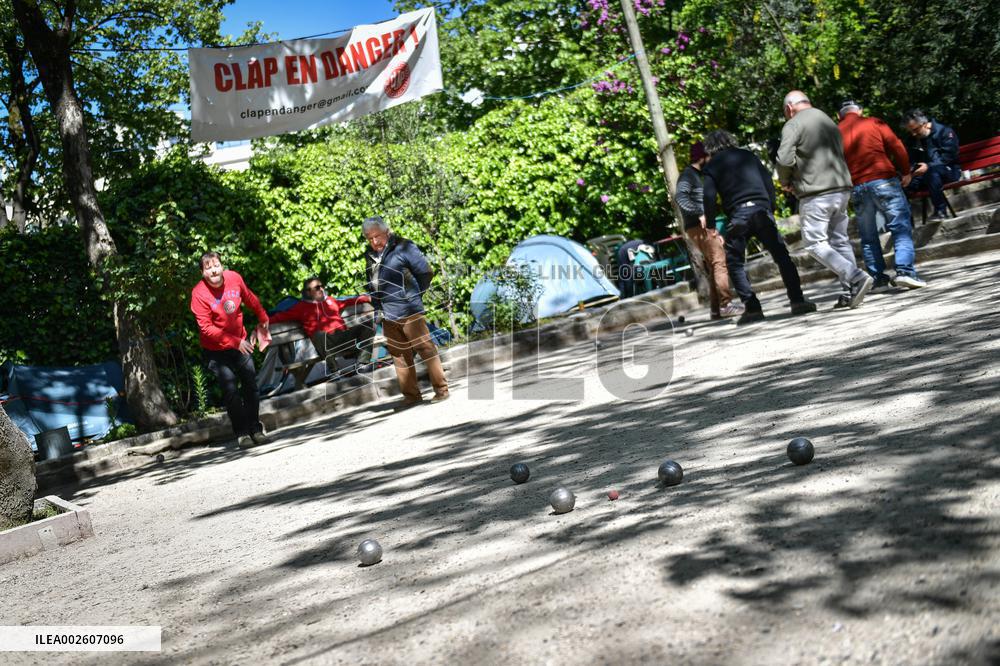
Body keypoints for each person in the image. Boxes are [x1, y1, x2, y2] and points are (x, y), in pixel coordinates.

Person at [701, 129, 815, 325]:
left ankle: (752, 308)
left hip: (738, 215)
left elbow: (708, 197)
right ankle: (797, 301)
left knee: (734, 263)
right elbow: (768, 182)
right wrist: (771, 207)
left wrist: (711, 226)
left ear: (710, 147)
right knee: (782, 257)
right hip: (761, 211)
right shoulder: (748, 156)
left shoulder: (712, 166)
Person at [777, 90, 874, 309]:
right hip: (841, 188)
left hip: (816, 192)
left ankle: (856, 277)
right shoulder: (828, 121)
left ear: (789, 108)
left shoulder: (794, 123)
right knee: (840, 240)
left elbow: (784, 159)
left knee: (814, 243)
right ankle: (850, 291)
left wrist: (785, 182)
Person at [838, 100, 927, 291]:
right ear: (860, 111)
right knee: (900, 227)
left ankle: (878, 280)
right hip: (883, 180)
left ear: (839, 116)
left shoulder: (834, 133)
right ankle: (905, 271)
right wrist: (906, 172)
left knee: (868, 236)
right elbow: (897, 146)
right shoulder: (873, 122)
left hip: (856, 186)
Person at [362, 215, 448, 410]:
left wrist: (412, 295)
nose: (374, 241)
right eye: (369, 238)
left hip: (409, 310)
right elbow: (372, 283)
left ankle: (441, 390)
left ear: (386, 232)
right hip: (386, 312)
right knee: (399, 355)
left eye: (377, 236)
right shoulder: (370, 255)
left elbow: (425, 272)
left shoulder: (403, 246)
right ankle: (411, 397)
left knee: (425, 348)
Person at [190, 251, 270, 448]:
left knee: (250, 384)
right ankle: (242, 434)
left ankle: (255, 429)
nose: (213, 270)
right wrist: (235, 342)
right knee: (230, 388)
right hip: (216, 349)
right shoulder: (199, 293)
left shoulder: (234, 278)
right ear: (202, 273)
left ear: (222, 266)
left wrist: (263, 317)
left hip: (240, 341)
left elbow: (249, 297)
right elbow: (206, 328)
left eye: (216, 265)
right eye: (208, 268)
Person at [676, 140, 743, 319]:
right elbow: (680, 198)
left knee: (714, 264)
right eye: (709, 156)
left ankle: (716, 309)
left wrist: (714, 230)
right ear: (702, 157)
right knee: (720, 261)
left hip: (703, 226)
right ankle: (726, 305)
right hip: (698, 226)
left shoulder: (699, 175)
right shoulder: (688, 175)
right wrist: (698, 213)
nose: (712, 159)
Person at [269, 277, 375, 375]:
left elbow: (347, 302)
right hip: (326, 345)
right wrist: (263, 325)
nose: (321, 289)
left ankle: (362, 364)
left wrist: (366, 298)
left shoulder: (330, 300)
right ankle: (334, 371)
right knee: (319, 335)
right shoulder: (300, 308)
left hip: (344, 338)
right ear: (308, 292)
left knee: (368, 325)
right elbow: (280, 317)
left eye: (321, 286)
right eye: (317, 287)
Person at [902, 109, 960, 222]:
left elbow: (949, 157)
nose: (913, 134)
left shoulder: (944, 131)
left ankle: (941, 212)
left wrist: (928, 166)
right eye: (910, 131)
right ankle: (906, 223)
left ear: (924, 124)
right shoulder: (912, 139)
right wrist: (910, 172)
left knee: (932, 173)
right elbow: (911, 160)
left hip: (949, 171)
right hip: (923, 175)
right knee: (902, 186)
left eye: (915, 129)